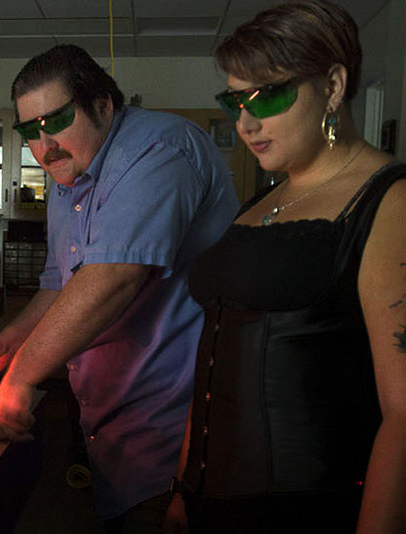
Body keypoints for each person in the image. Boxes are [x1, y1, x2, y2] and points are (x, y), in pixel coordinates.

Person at [162, 1, 406, 532]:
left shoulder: (389, 200)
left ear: (334, 86)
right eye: (236, 101)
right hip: (208, 506)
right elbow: (216, 349)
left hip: (304, 513)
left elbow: (405, 414)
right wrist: (183, 491)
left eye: (267, 95)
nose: (247, 123)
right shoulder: (261, 201)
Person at [0, 44, 238, 532]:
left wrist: (21, 376)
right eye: (28, 131)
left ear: (103, 105)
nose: (43, 147)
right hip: (111, 438)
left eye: (56, 121)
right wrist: (5, 344)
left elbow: (111, 279)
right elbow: (63, 286)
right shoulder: (68, 178)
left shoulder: (158, 150)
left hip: (173, 444)